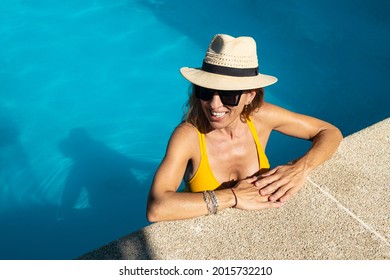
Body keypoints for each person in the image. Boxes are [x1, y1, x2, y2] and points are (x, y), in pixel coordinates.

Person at [147, 34, 342, 222]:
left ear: (250, 95)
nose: (214, 105)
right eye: (206, 91)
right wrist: (233, 196)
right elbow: (157, 208)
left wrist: (300, 168)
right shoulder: (189, 136)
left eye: (228, 96)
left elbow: (329, 132)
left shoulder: (260, 117)